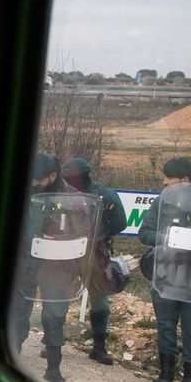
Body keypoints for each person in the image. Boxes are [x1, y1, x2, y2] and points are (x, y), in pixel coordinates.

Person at [139, 157, 191, 382]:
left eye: (169, 177)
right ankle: (165, 375)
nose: (164, 182)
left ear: (185, 179)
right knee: (166, 324)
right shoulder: (162, 201)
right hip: (167, 274)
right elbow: (145, 233)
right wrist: (167, 237)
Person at [9, 152, 85, 382]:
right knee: (19, 312)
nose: (34, 183)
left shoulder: (72, 198)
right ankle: (13, 360)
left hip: (57, 265)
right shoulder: (22, 194)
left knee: (55, 314)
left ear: (53, 175)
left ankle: (54, 366)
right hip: (26, 261)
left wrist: (62, 236)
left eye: (39, 179)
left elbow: (85, 229)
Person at [61, 156, 126, 365]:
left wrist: (99, 235)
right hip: (68, 250)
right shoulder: (62, 195)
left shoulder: (105, 195)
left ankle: (99, 346)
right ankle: (52, 340)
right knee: (60, 295)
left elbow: (120, 222)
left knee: (100, 301)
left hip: (95, 254)